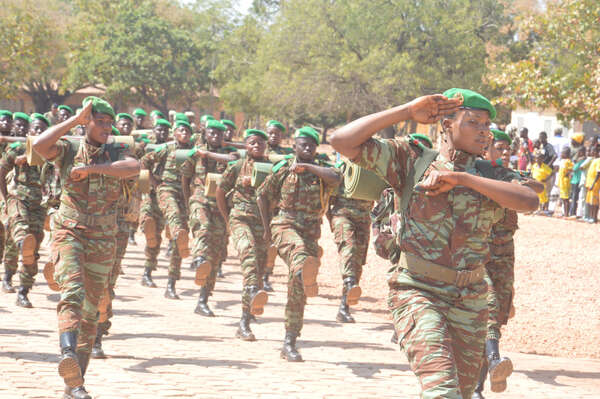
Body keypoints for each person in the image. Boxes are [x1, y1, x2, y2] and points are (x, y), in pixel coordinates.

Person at [330, 89, 538, 398]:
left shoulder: (492, 174)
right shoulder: (411, 159)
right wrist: (405, 111)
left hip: (471, 300)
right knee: (442, 390)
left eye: (487, 126)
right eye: (474, 122)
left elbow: (529, 200)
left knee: (462, 393)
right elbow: (341, 141)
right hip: (418, 291)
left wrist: (463, 179)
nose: (484, 132)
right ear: (446, 124)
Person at [32, 96, 139, 399]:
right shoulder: (68, 149)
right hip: (69, 232)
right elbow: (39, 146)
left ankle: (74, 383)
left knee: (92, 313)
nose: (106, 127)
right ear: (87, 121)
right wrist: (73, 122)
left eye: (109, 123)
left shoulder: (117, 150)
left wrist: (93, 170)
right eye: (99, 121)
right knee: (73, 292)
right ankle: (67, 351)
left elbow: (133, 167)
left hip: (103, 238)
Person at [257, 126, 342, 362]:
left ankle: (290, 341)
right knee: (300, 254)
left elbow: (337, 178)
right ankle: (304, 267)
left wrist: (310, 167)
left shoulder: (323, 170)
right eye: (303, 144)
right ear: (294, 146)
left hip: (311, 232)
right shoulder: (283, 168)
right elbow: (262, 196)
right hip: (285, 225)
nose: (307, 148)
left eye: (311, 145)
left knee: (298, 287)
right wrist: (266, 229)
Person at [473, 129, 543, 399]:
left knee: (496, 317)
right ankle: (493, 361)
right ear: (485, 149)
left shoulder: (506, 175)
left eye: (507, 150)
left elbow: (536, 188)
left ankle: (480, 384)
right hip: (478, 252)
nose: (504, 154)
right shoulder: (475, 174)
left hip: (504, 255)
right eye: (499, 149)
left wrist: (511, 178)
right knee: (488, 308)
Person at [216, 128, 270, 341]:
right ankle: (243, 324)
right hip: (240, 219)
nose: (257, 146)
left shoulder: (271, 168)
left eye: (261, 143)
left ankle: (248, 313)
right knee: (248, 257)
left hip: (263, 225)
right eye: (252, 142)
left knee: (257, 271)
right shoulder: (237, 166)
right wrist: (228, 219)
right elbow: (221, 191)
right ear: (246, 145)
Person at [182, 119, 238, 316]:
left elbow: (234, 160)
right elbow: (185, 177)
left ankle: (203, 299)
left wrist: (208, 154)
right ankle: (198, 258)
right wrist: (187, 200)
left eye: (219, 134)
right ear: (205, 134)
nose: (215, 137)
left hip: (222, 208)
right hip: (200, 200)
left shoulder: (230, 153)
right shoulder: (195, 153)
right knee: (203, 229)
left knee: (215, 255)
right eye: (212, 133)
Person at [140, 119, 193, 299]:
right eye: (181, 130)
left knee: (179, 240)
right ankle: (147, 271)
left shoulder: (194, 151)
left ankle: (171, 284)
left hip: (184, 196)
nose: (184, 134)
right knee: (157, 233)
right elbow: (144, 162)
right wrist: (154, 182)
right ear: (175, 133)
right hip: (165, 191)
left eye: (187, 131)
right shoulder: (167, 149)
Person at [0, 113, 47, 307]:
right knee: (18, 233)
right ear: (29, 131)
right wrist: (5, 197)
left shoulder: (52, 151)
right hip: (18, 197)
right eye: (35, 128)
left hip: (39, 204)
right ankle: (8, 276)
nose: (38, 132)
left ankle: (23, 291)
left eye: (43, 129)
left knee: (32, 249)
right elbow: (1, 171)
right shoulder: (17, 147)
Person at [327, 162, 373, 323]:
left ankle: (344, 307)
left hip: (364, 220)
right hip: (342, 215)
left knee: (358, 262)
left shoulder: (375, 171)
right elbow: (328, 197)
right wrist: (331, 220)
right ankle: (349, 280)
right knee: (349, 248)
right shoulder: (343, 169)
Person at [139, 119, 171, 288]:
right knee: (146, 219)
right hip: (149, 192)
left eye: (166, 131)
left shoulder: (172, 149)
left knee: (155, 238)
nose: (162, 133)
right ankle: (146, 228)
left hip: (166, 196)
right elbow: (140, 162)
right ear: (154, 131)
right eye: (159, 130)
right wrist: (153, 182)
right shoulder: (147, 146)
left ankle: (147, 272)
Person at [584, 146, 600, 223]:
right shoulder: (593, 160)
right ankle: (590, 216)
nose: (592, 152)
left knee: (594, 202)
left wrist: (593, 184)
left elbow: (598, 173)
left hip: (595, 185)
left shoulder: (598, 160)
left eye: (594, 151)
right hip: (589, 184)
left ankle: (594, 217)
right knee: (590, 202)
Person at [557, 147, 573, 217]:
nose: (561, 154)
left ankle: (566, 214)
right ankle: (564, 212)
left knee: (566, 199)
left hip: (565, 182)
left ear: (567, 154)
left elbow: (571, 168)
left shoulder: (568, 161)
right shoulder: (562, 161)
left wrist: (567, 173)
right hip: (562, 182)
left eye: (562, 153)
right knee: (563, 198)